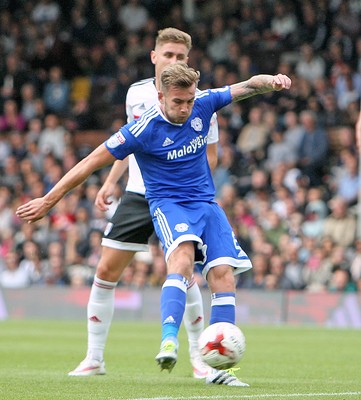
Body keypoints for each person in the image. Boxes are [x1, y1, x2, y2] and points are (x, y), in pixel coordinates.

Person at [16, 62, 291, 381]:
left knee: (223, 275)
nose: (186, 108)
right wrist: (49, 200)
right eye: (178, 101)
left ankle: (218, 368)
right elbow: (90, 162)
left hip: (205, 203)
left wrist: (272, 80)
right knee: (183, 259)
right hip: (169, 205)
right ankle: (169, 340)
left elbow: (247, 86)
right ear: (160, 96)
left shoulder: (203, 103)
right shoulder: (142, 129)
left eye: (189, 100)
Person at [87, 28, 222, 383]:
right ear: (154, 56)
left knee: (184, 273)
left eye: (181, 57)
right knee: (105, 272)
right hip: (137, 193)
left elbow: (210, 155)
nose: (175, 60)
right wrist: (110, 180)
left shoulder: (197, 99)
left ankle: (199, 360)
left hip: (178, 198)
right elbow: (128, 142)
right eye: (169, 55)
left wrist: (187, 185)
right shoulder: (136, 95)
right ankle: (93, 358)